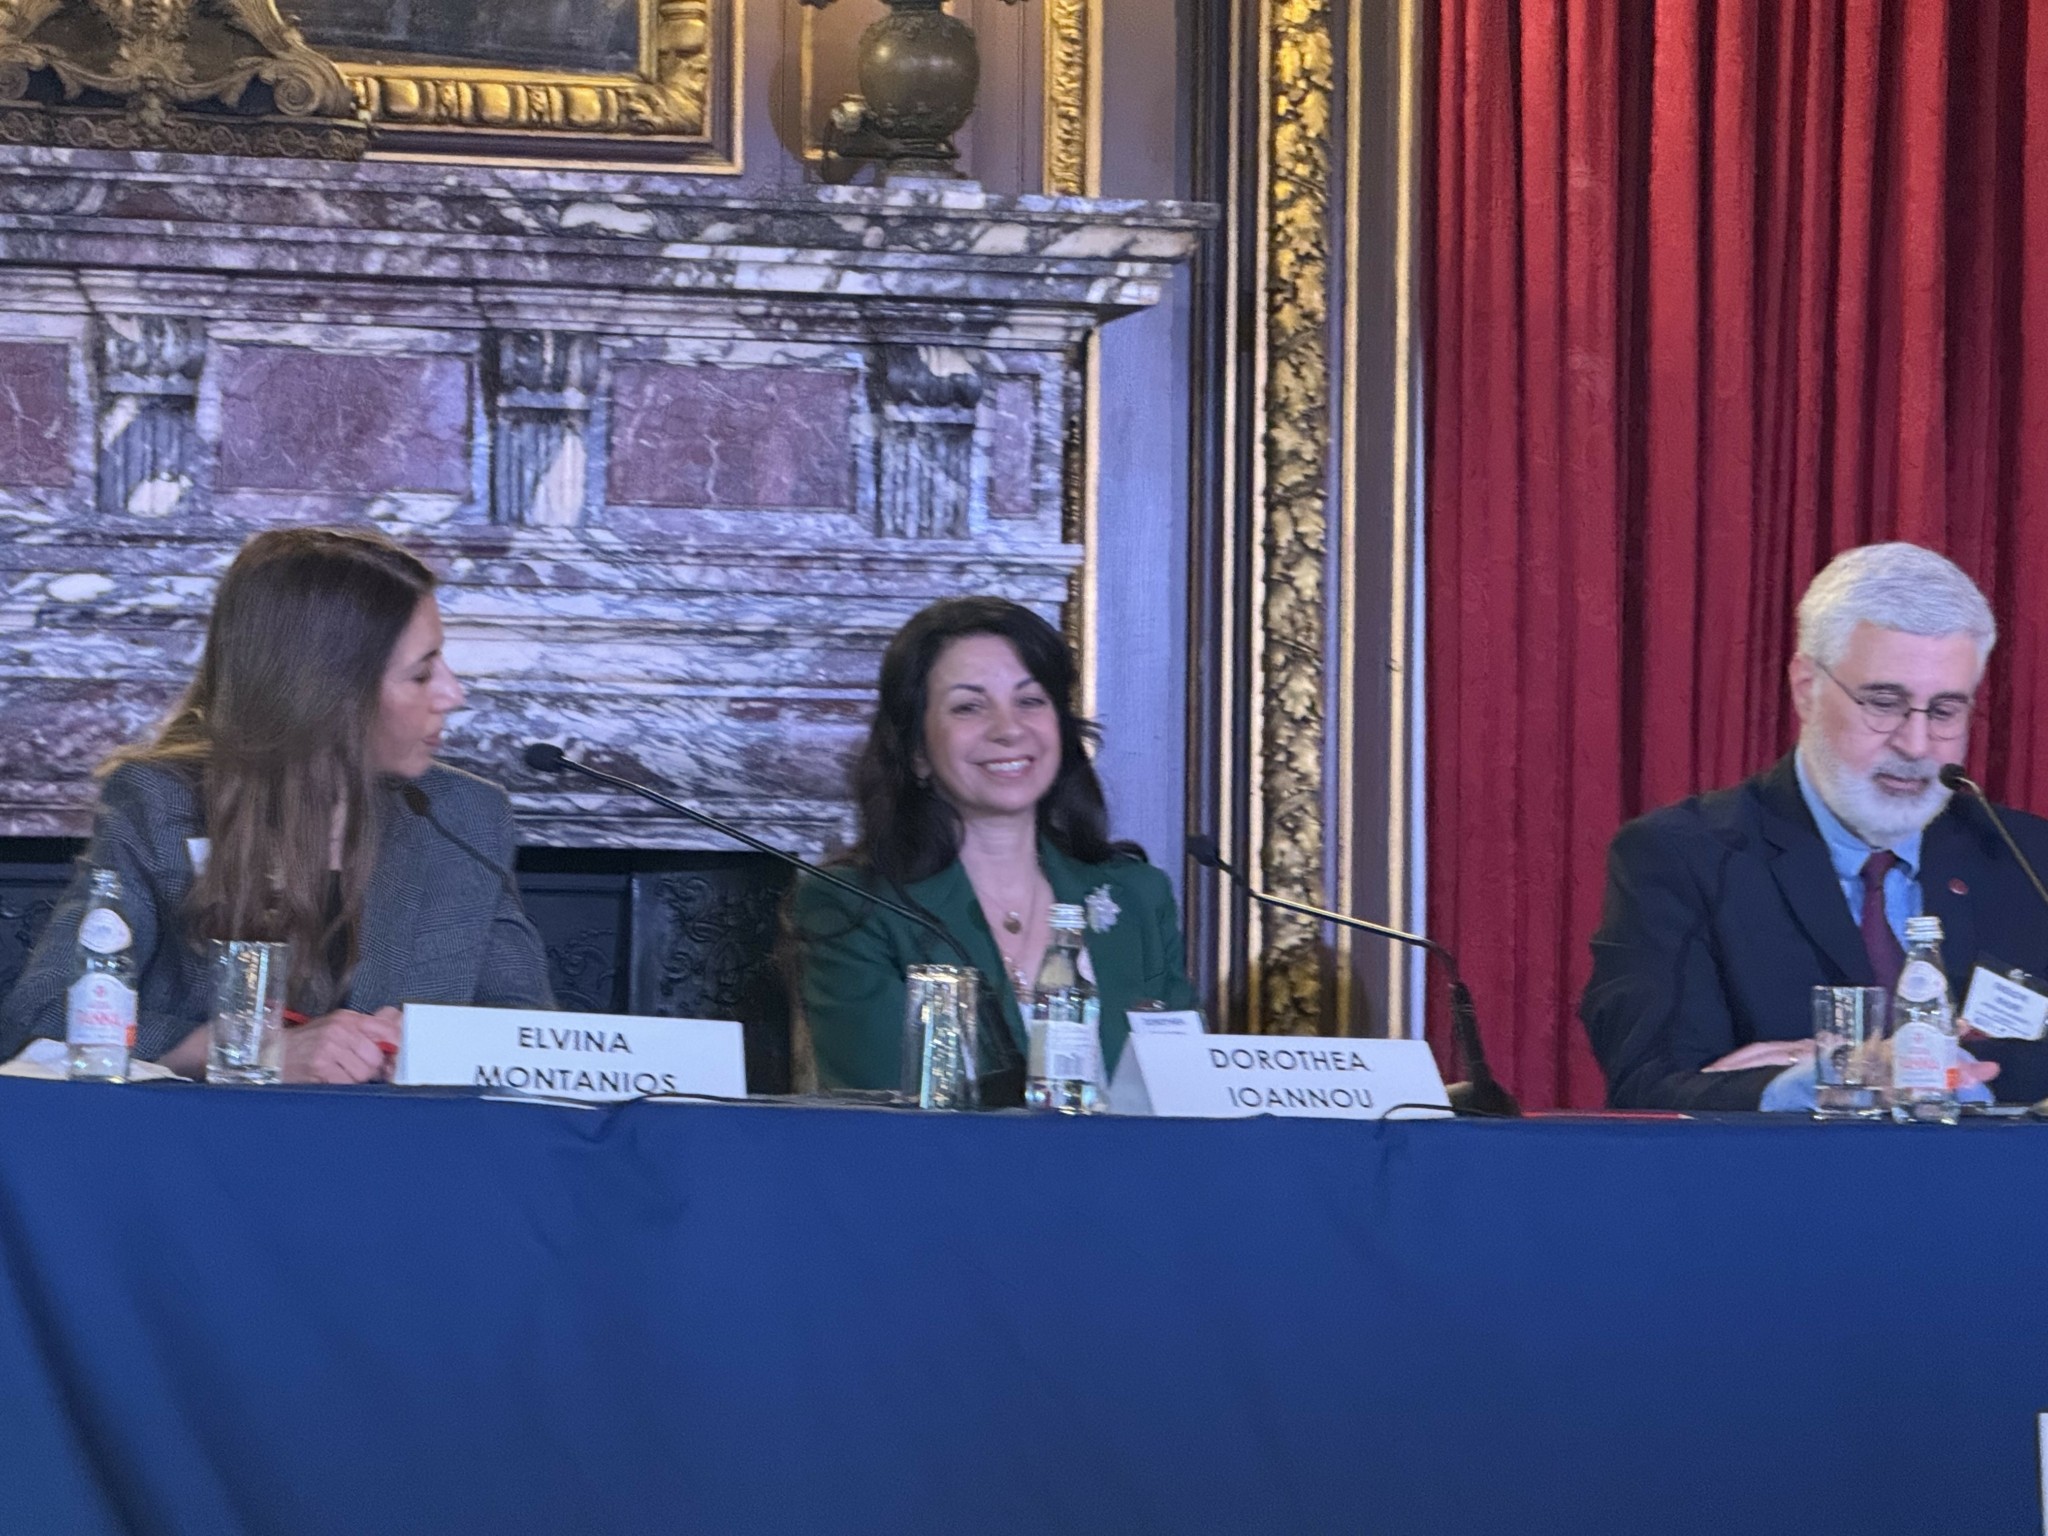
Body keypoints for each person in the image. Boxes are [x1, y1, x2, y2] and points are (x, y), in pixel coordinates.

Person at [0, 526, 554, 1082]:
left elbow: (533, 1039)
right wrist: (249, 1049)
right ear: (329, 690)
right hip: (213, 1136)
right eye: (422, 673)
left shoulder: (467, 813)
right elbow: (42, 1020)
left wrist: (440, 1044)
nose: (453, 694)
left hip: (413, 1136)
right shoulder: (159, 802)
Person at [1580, 542, 2048, 1110]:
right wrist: (1821, 1083)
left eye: (1945, 710)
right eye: (1884, 702)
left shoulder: (2027, 859)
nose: (1916, 744)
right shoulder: (1683, 858)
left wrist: (1947, 1076)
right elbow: (1648, 1088)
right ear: (1806, 688)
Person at [789, 596, 1198, 1100]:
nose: (1008, 729)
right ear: (916, 750)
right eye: (969, 707)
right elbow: (885, 1105)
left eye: (1030, 701)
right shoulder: (855, 906)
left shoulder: (1136, 898)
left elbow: (1187, 1095)